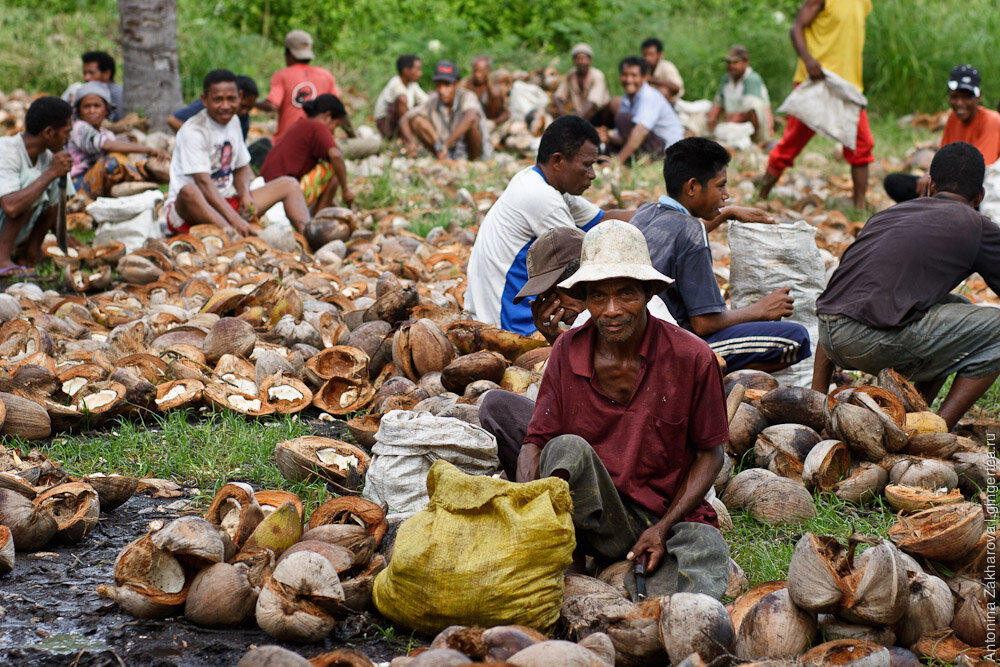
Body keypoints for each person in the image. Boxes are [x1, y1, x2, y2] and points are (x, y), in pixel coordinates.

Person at [515, 219, 731, 598]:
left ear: (648, 293)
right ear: (584, 299)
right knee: (566, 448)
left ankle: (639, 596)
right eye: (598, 297)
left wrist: (662, 529)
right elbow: (535, 442)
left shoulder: (692, 358)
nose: (612, 310)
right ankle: (574, 561)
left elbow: (710, 455)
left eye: (626, 294)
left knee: (706, 552)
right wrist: (526, 509)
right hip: (597, 517)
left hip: (665, 516)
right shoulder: (567, 351)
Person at [813, 142, 1000, 430]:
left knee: (959, 307)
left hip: (827, 335)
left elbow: (841, 294)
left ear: (931, 185)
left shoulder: (888, 215)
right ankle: (933, 431)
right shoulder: (976, 225)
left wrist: (814, 405)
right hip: (868, 340)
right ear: (980, 196)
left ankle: (912, 415)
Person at [632, 137, 811, 372]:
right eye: (720, 186)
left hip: (638, 338)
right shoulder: (691, 231)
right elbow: (704, 324)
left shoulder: (646, 212)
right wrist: (761, 309)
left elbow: (677, 237)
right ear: (693, 187)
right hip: (669, 347)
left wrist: (727, 213)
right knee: (796, 338)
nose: (726, 194)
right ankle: (707, 380)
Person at [464, 115, 634, 334]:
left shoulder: (540, 182)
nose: (592, 175)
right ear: (558, 161)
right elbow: (586, 262)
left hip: (502, 313)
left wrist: (661, 214)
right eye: (587, 165)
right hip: (509, 323)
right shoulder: (539, 197)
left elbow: (603, 220)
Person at [164, 69, 310, 238]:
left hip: (226, 202)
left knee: (289, 184)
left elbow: (241, 167)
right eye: (218, 100)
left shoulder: (233, 121)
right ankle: (234, 236)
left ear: (239, 97)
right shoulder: (194, 130)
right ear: (204, 100)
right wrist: (235, 220)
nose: (225, 106)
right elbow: (203, 183)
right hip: (193, 209)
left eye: (231, 99)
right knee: (190, 191)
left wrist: (245, 195)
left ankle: (309, 236)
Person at [757, 0, 874, 209]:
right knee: (790, 144)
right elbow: (796, 29)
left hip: (847, 86)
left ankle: (859, 207)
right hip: (816, 81)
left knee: (861, 146)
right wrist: (808, 60)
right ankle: (761, 196)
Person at [884, 65, 1000, 203]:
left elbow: (981, 170)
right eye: (954, 97)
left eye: (966, 97)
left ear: (978, 96)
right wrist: (929, 175)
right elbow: (942, 157)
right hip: (949, 186)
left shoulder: (992, 120)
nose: (959, 103)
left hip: (976, 189)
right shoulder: (953, 118)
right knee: (894, 182)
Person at [0, 97, 74, 276]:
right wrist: (50, 173)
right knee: (32, 183)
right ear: (49, 132)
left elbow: (56, 206)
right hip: (8, 213)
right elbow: (11, 206)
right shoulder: (6, 151)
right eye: (66, 132)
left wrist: (69, 245)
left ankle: (30, 254)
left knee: (52, 181)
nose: (68, 138)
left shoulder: (47, 157)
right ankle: (2, 260)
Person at [67, 82, 169, 204]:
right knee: (112, 160)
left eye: (97, 106)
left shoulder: (107, 133)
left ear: (106, 109)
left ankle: (147, 173)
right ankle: (141, 175)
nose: (92, 110)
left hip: (101, 181)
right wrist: (148, 149)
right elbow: (107, 145)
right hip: (78, 183)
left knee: (126, 159)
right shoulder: (79, 128)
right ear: (79, 110)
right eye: (86, 106)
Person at [260, 94, 355, 213]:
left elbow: (323, 188)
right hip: (283, 193)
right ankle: (316, 221)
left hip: (265, 192)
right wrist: (346, 190)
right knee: (332, 169)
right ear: (328, 116)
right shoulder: (318, 127)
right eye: (335, 126)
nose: (333, 132)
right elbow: (336, 155)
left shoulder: (302, 124)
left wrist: (338, 208)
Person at [257, 30, 340, 139]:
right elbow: (337, 108)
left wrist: (253, 102)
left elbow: (272, 105)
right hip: (317, 140)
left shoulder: (282, 75)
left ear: (288, 54)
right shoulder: (326, 75)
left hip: (287, 140)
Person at [599, 56, 683, 164]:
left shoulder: (649, 96)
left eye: (634, 75)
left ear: (644, 78)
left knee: (623, 119)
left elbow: (641, 131)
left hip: (668, 150)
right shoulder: (627, 99)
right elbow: (624, 136)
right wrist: (610, 139)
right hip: (652, 142)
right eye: (625, 75)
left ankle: (640, 161)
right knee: (609, 147)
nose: (629, 80)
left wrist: (617, 162)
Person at [399, 60, 484, 160]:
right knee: (417, 120)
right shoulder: (433, 101)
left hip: (468, 149)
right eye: (438, 85)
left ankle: (475, 160)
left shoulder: (466, 96)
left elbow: (471, 116)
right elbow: (404, 119)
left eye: (447, 85)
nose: (442, 90)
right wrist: (411, 142)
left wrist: (446, 144)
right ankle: (442, 156)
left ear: (457, 84)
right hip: (446, 149)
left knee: (473, 121)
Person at [706, 45, 773, 144]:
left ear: (746, 63)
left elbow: (746, 112)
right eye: (728, 62)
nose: (731, 66)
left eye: (735, 62)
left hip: (751, 127)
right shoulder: (726, 79)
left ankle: (753, 142)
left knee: (753, 104)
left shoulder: (752, 79)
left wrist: (728, 126)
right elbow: (718, 105)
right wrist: (712, 120)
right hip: (732, 123)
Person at [168, 75, 259, 140]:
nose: (244, 112)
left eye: (248, 108)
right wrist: (197, 138)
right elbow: (172, 120)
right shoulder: (210, 107)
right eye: (242, 106)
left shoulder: (240, 119)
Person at [552, 44, 611, 122]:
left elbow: (593, 103)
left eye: (584, 58)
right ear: (574, 60)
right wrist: (561, 112)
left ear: (590, 60)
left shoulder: (597, 75)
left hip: (599, 115)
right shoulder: (571, 74)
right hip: (580, 114)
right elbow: (558, 96)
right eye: (578, 58)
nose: (581, 62)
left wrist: (577, 120)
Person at [373, 55, 428, 138]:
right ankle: (407, 139)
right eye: (417, 70)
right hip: (386, 124)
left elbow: (426, 101)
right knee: (402, 100)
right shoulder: (396, 84)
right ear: (406, 71)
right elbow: (406, 110)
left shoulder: (412, 84)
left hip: (402, 119)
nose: (420, 73)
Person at [62, 51, 124, 122]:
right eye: (85, 73)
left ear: (107, 73)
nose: (86, 78)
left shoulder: (118, 94)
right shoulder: (80, 89)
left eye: (91, 73)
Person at [640, 37, 685, 105]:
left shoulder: (667, 67)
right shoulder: (643, 68)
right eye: (645, 55)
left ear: (660, 54)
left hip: (673, 103)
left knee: (662, 92)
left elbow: (676, 87)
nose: (647, 58)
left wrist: (651, 79)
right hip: (651, 102)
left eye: (651, 55)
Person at [463, 55, 507, 122]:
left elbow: (506, 112)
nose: (477, 75)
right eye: (475, 71)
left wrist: (494, 122)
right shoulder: (468, 85)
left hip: (491, 119)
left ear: (488, 71)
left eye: (481, 71)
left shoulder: (494, 85)